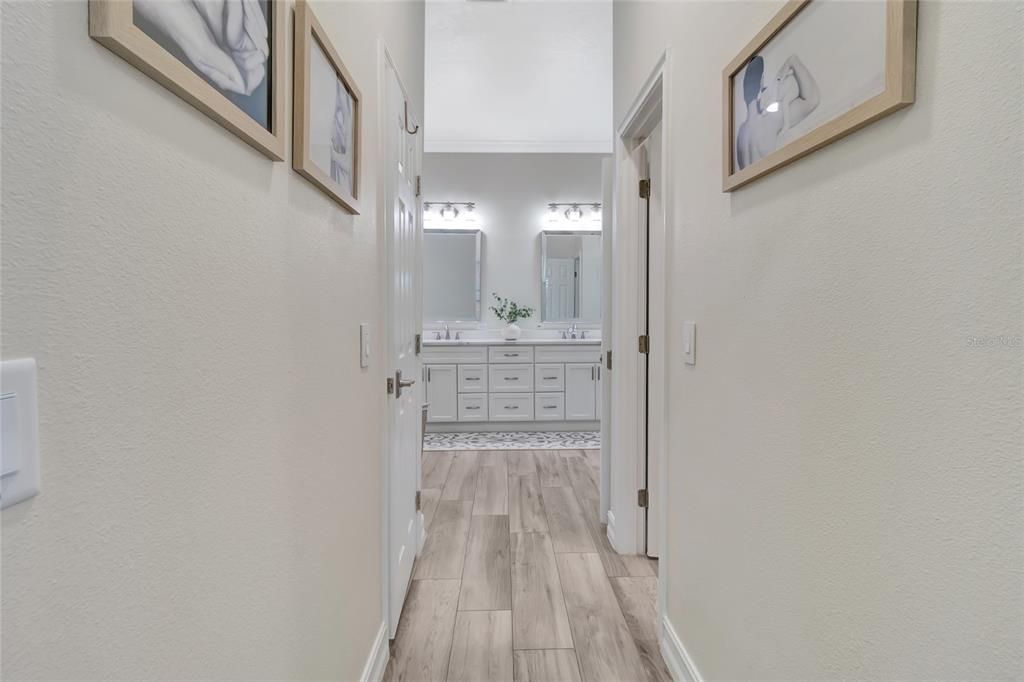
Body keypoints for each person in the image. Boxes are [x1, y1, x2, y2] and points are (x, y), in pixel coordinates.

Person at [735, 54, 820, 170]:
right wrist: (792, 61)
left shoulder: (741, 133)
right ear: (761, 81)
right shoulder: (770, 119)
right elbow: (812, 100)